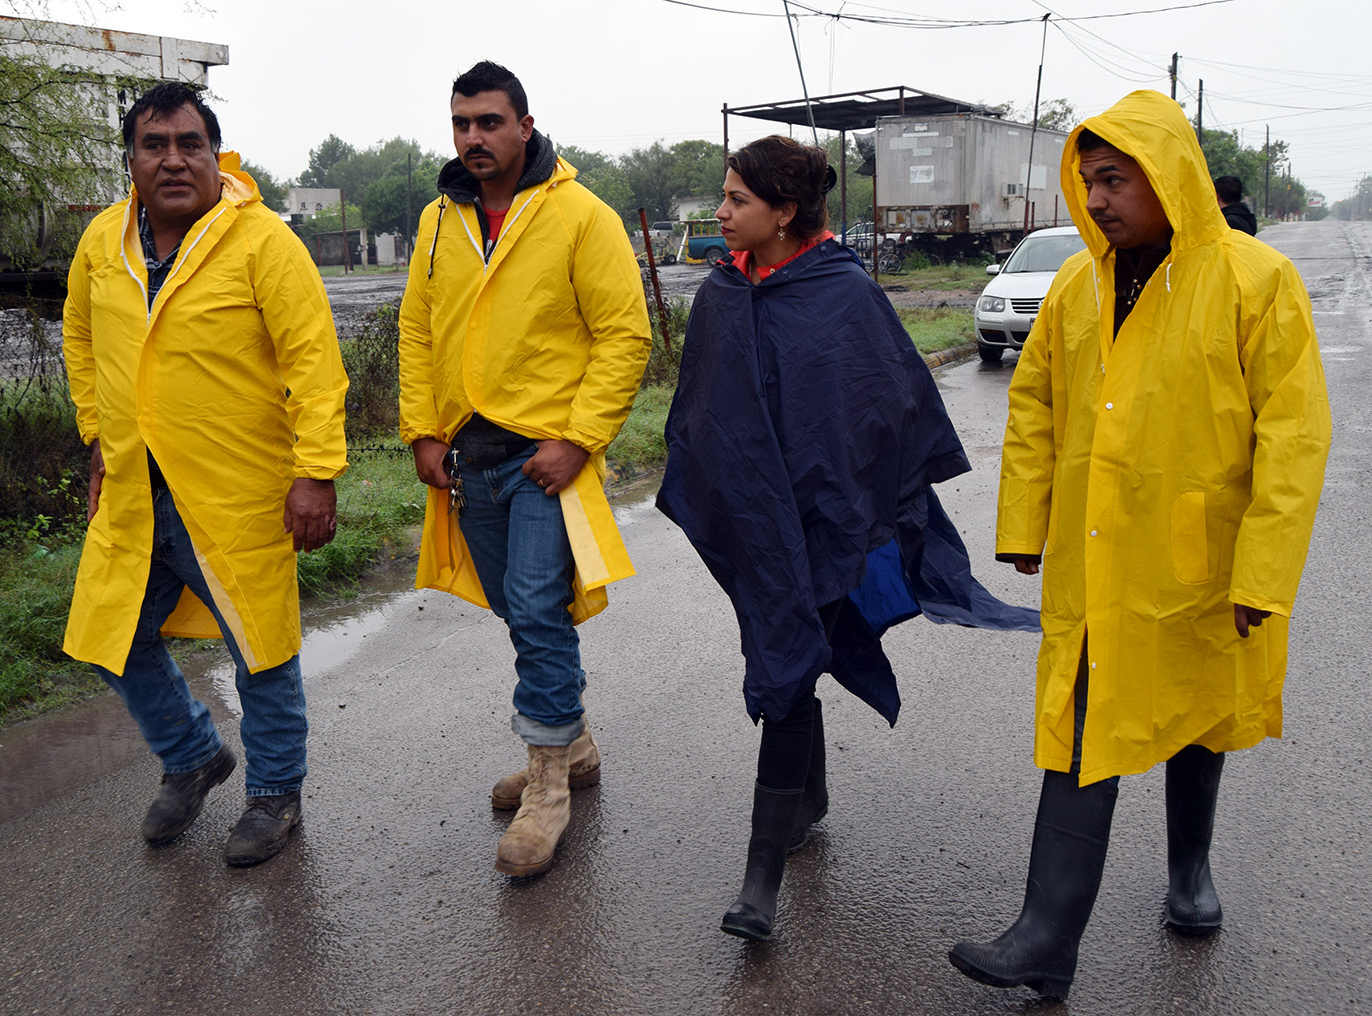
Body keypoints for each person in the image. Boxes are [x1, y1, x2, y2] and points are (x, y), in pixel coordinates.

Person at [948, 91, 1330, 999]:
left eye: (1115, 179)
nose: (1099, 198)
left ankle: (1189, 872)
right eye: (1088, 181)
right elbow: (1034, 400)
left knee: (1196, 715)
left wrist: (1264, 573)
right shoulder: (1079, 284)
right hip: (1096, 556)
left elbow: (1295, 437)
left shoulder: (1256, 281)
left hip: (1204, 559)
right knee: (1083, 724)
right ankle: (1047, 938)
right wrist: (1024, 522)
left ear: (1167, 180)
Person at [656, 136, 1039, 942]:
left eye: (736, 201)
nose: (719, 213)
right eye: (722, 197)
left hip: (832, 521)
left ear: (784, 212)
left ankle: (759, 885)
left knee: (788, 666)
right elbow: (702, 412)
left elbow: (884, 406)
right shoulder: (721, 295)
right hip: (755, 525)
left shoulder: (845, 295)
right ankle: (809, 799)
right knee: (784, 652)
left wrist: (861, 505)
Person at [62, 82, 348, 867]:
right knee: (107, 640)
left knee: (260, 647)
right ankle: (192, 754)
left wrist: (316, 472)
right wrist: (97, 433)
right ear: (132, 160)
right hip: (133, 487)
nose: (174, 159)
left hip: (237, 489)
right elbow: (81, 342)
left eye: (190, 143)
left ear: (214, 154)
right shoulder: (102, 242)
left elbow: (314, 365)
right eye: (155, 145)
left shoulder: (260, 243)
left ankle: (274, 794)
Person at [398, 61, 651, 878]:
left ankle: (548, 783)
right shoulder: (439, 221)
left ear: (525, 127)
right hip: (470, 461)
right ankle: (571, 745)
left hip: (547, 459)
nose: (474, 137)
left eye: (490, 123)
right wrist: (421, 434)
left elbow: (625, 335)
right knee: (522, 610)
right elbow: (414, 332)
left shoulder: (581, 215)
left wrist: (579, 439)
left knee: (539, 608)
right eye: (462, 123)